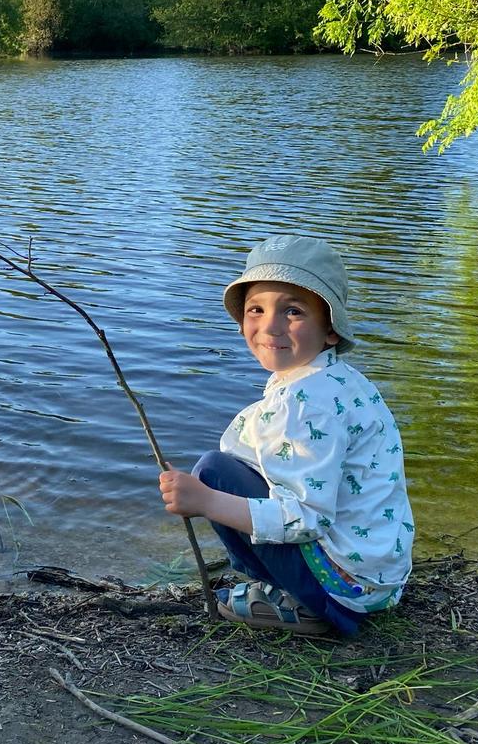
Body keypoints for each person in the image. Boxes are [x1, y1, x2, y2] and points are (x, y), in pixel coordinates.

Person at [158, 235, 413, 635]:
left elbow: (306, 519)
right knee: (227, 466)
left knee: (214, 472)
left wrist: (206, 500)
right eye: (256, 309)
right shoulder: (340, 380)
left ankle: (301, 603)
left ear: (330, 331)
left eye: (292, 312)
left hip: (345, 589)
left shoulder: (304, 403)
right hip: (379, 578)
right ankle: (294, 587)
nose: (270, 326)